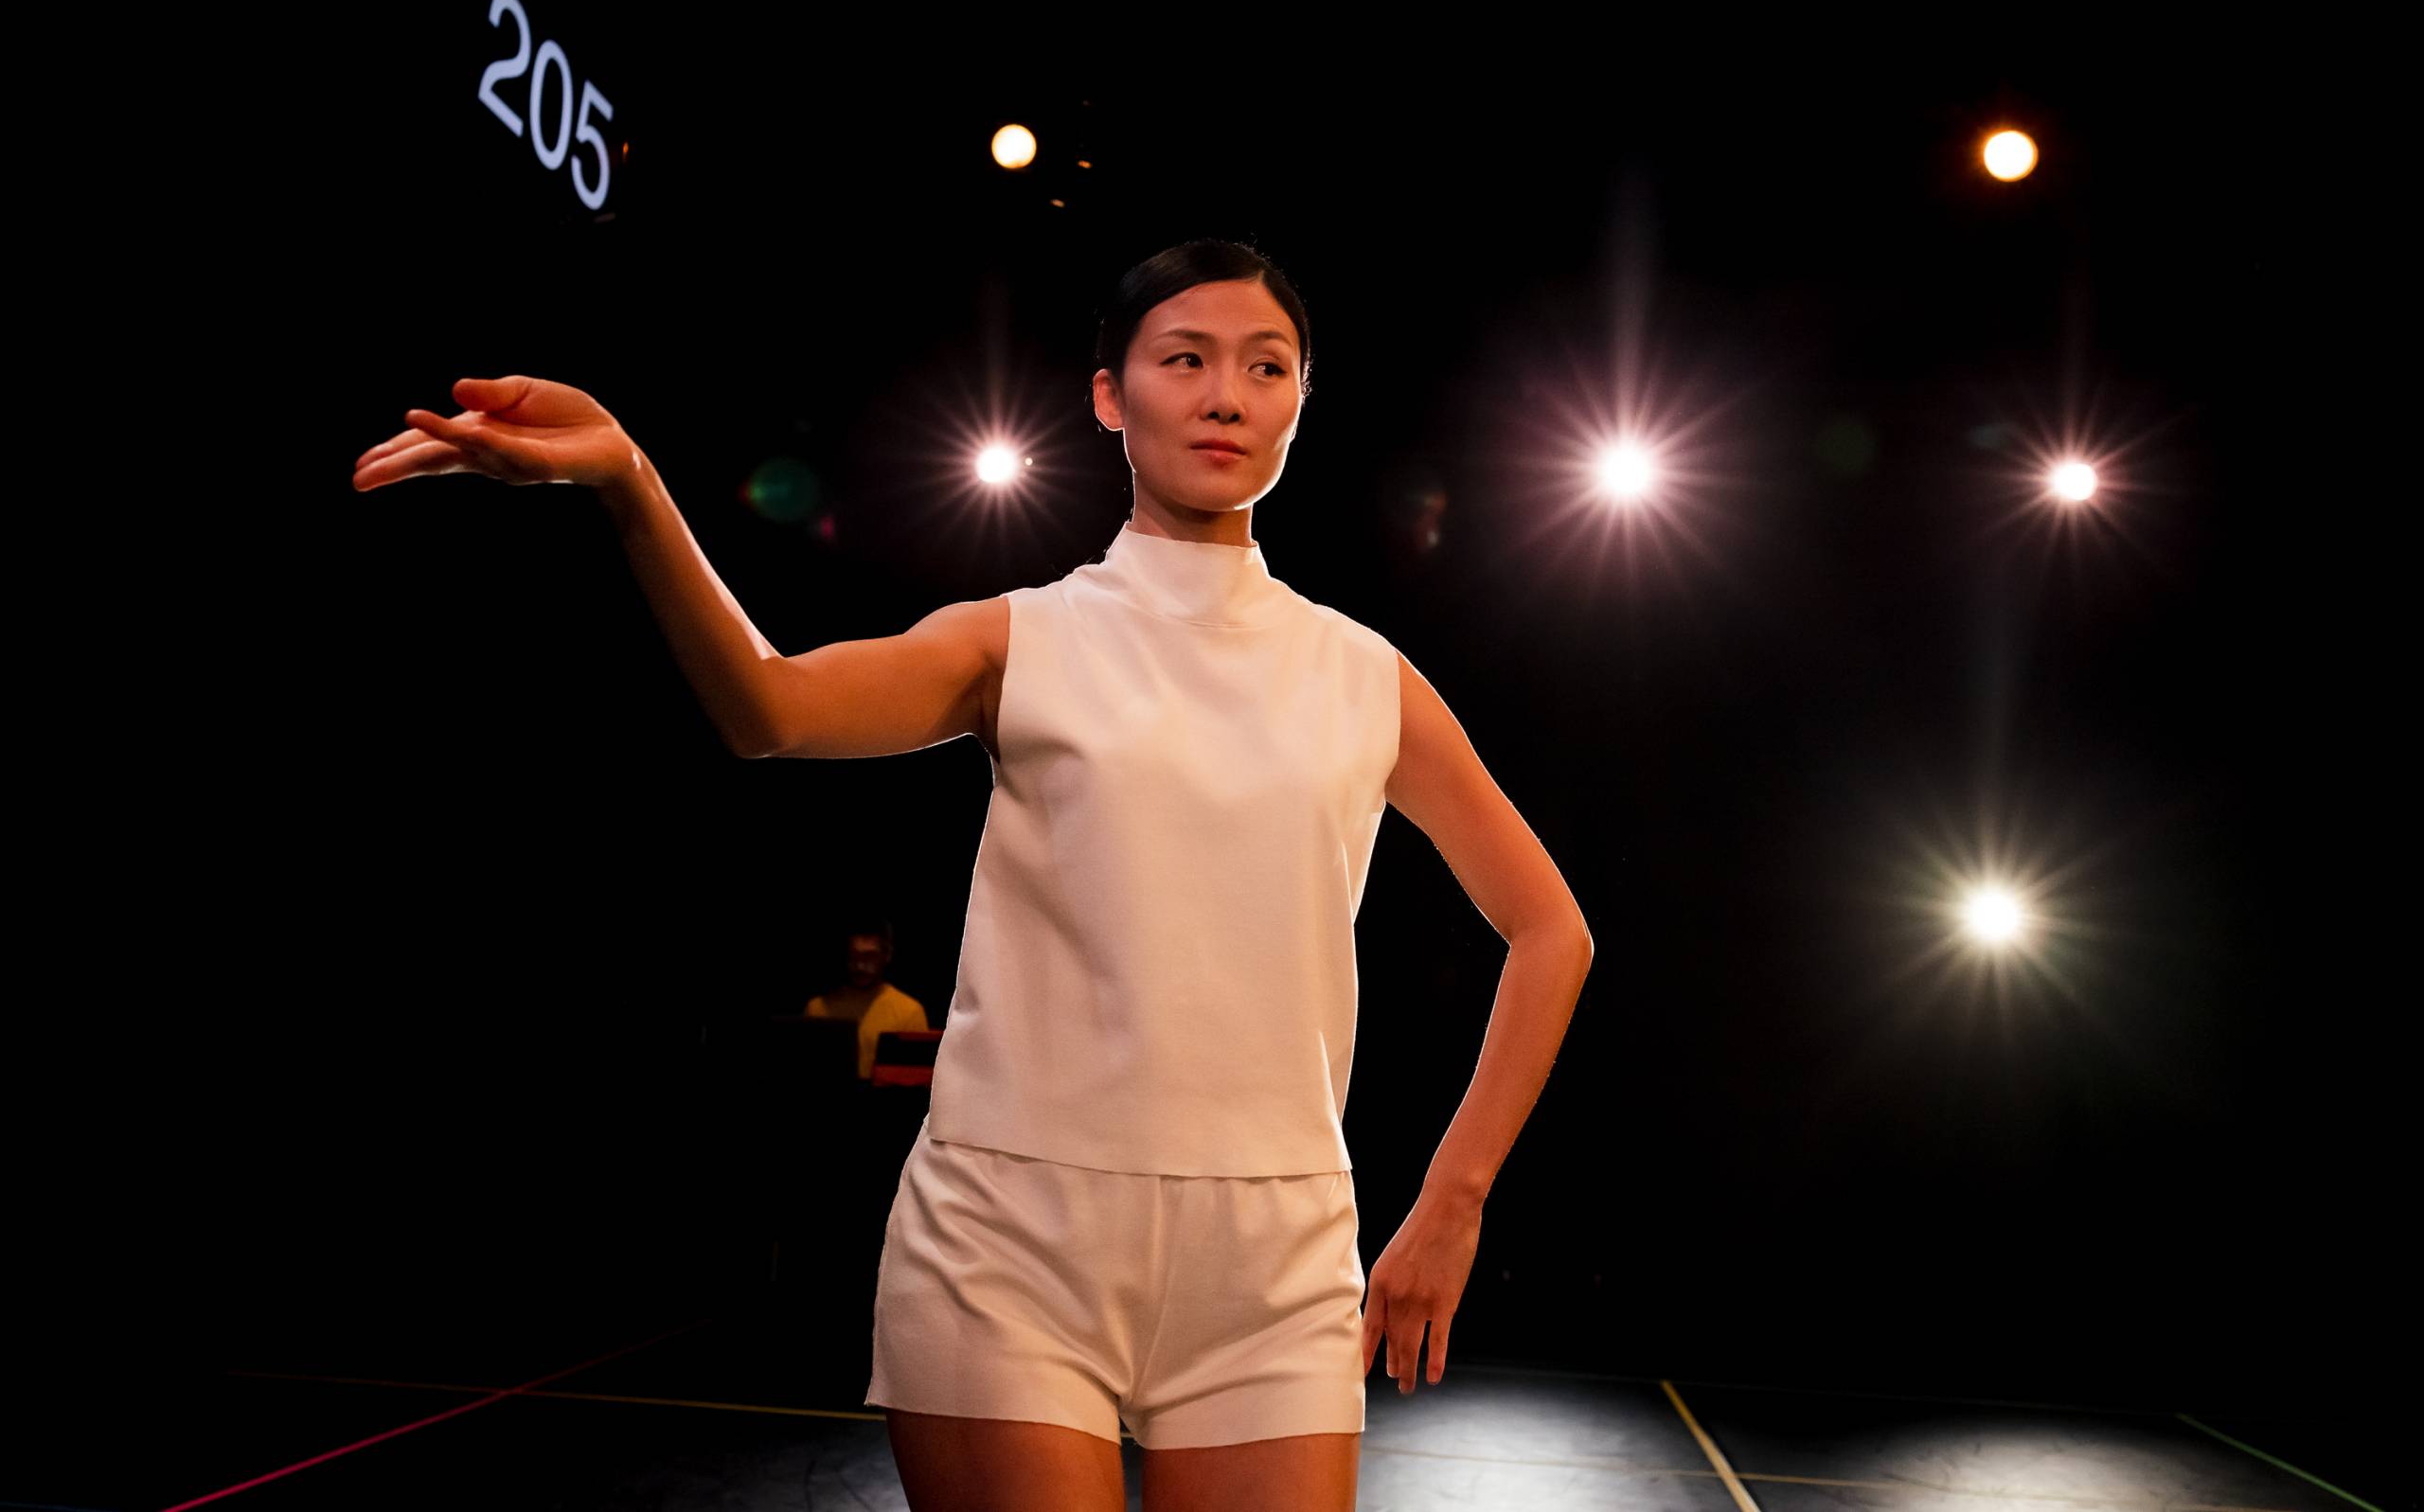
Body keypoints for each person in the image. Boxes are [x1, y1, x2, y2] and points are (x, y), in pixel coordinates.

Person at [352, 238, 1595, 1512]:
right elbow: (768, 711)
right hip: (1013, 1240)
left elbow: (1551, 929)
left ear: (1298, 402)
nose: (1227, 393)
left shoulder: (1364, 677)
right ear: (1111, 395)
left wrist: (1452, 1201)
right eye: (1186, 360)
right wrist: (629, 480)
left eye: (1266, 367)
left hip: (1273, 1261)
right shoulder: (1020, 637)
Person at [806, 917, 931, 1081]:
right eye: (854, 956)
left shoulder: (909, 1012)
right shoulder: (817, 1009)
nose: (860, 965)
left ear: (887, 955)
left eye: (869, 956)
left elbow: (917, 1082)